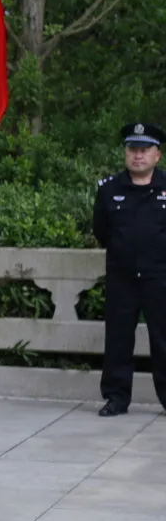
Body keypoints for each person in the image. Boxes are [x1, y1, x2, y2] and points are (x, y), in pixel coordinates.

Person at [93, 121, 166, 417]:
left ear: (157, 155)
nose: (138, 155)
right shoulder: (109, 190)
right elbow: (102, 230)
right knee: (118, 339)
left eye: (144, 150)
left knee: (163, 339)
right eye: (132, 149)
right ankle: (116, 398)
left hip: (159, 277)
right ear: (125, 153)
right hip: (122, 278)